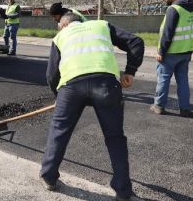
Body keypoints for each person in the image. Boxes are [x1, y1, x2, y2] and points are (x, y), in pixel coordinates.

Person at [40, 12, 144, 201]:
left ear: (64, 25)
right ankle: (123, 190)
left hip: (71, 88)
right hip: (106, 85)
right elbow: (136, 42)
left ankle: (48, 176)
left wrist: (59, 96)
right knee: (115, 138)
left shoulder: (60, 36)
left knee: (59, 131)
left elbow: (51, 75)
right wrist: (130, 72)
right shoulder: (101, 25)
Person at [151, 0, 193, 117]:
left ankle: (159, 106)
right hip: (186, 51)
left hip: (171, 53)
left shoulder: (174, 9)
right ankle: (185, 109)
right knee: (183, 80)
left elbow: (168, 33)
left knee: (163, 79)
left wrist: (161, 51)